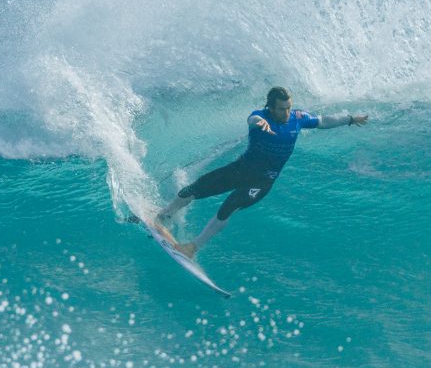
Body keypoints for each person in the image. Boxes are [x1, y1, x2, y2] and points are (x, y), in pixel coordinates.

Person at [157, 86, 368, 258]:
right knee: (190, 191)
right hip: (241, 169)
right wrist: (260, 123)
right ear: (270, 107)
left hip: (262, 182)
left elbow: (323, 121)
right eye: (281, 109)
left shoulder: (297, 118)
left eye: (289, 107)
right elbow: (252, 120)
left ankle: (191, 248)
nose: (286, 113)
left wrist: (349, 119)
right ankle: (163, 216)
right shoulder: (259, 117)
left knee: (228, 207)